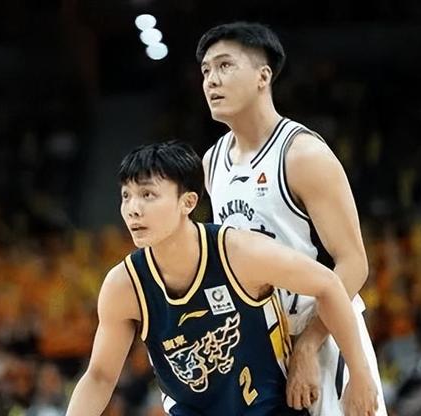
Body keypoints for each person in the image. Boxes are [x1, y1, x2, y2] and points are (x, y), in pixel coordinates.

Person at [66, 142, 377, 415]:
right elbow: (100, 377)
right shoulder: (124, 286)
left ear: (188, 202)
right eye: (126, 196)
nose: (133, 209)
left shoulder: (238, 253)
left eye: (147, 195)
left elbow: (329, 284)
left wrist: (360, 374)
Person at [197, 22, 387, 415]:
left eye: (225, 65)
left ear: (263, 76)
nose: (211, 80)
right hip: (260, 346)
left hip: (324, 335)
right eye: (206, 70)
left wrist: (309, 344)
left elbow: (354, 264)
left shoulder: (302, 155)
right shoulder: (212, 163)